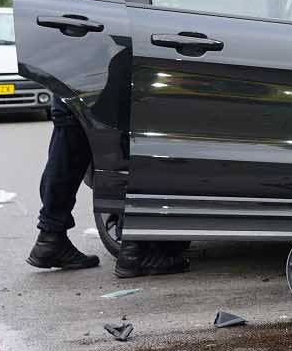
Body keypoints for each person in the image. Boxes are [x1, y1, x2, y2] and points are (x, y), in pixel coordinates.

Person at [27, 103, 188, 277]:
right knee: (128, 139)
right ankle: (135, 249)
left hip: (73, 82)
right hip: (109, 87)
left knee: (69, 137)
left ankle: (50, 238)